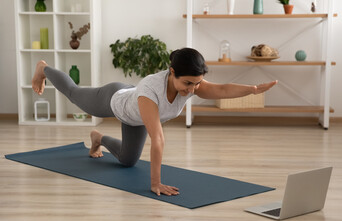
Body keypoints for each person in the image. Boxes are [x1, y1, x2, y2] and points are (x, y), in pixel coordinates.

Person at [32, 48, 277, 196]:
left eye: (197, 83)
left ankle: (98, 139)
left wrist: (254, 89)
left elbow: (222, 89)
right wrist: (155, 182)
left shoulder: (192, 85)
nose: (192, 89)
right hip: (113, 100)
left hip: (134, 114)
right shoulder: (151, 92)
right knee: (75, 95)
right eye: (188, 83)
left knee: (128, 161)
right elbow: (158, 139)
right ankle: (44, 69)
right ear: (172, 72)